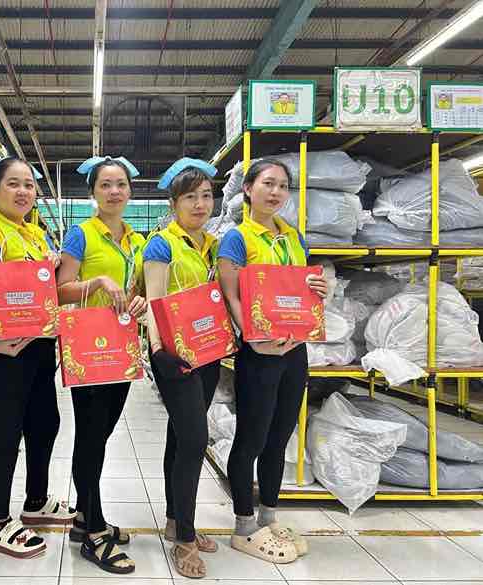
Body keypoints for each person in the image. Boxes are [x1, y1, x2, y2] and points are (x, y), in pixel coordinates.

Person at [0, 156, 75, 559]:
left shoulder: (35, 235)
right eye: (13, 183)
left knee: (45, 423)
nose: (23, 191)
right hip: (6, 351)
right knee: (5, 432)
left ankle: (37, 501)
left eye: (28, 184)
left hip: (40, 346)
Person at [217, 159, 327, 564]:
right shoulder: (237, 238)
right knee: (252, 437)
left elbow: (306, 292)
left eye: (282, 186)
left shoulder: (295, 237)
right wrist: (253, 338)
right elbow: (230, 297)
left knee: (280, 438)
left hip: (295, 351)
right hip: (259, 354)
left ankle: (269, 516)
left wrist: (320, 288)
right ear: (248, 189)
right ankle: (244, 525)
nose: (276, 192)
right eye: (267, 183)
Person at [56, 156, 147, 574]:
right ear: (93, 193)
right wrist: (96, 282)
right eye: (106, 185)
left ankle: (83, 516)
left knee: (103, 434)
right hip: (89, 348)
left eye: (121, 185)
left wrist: (139, 299)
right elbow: (60, 290)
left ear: (130, 191)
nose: (114, 192)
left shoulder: (136, 240)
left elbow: (138, 290)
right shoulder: (81, 235)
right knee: (91, 436)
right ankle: (92, 531)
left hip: (122, 348)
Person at [142, 157, 224, 579]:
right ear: (174, 202)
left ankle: (176, 518)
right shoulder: (162, 243)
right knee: (195, 439)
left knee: (180, 436)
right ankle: (185, 539)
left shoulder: (211, 244)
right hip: (175, 357)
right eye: (190, 196)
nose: (200, 203)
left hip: (208, 354)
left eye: (206, 195)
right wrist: (160, 353)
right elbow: (154, 299)